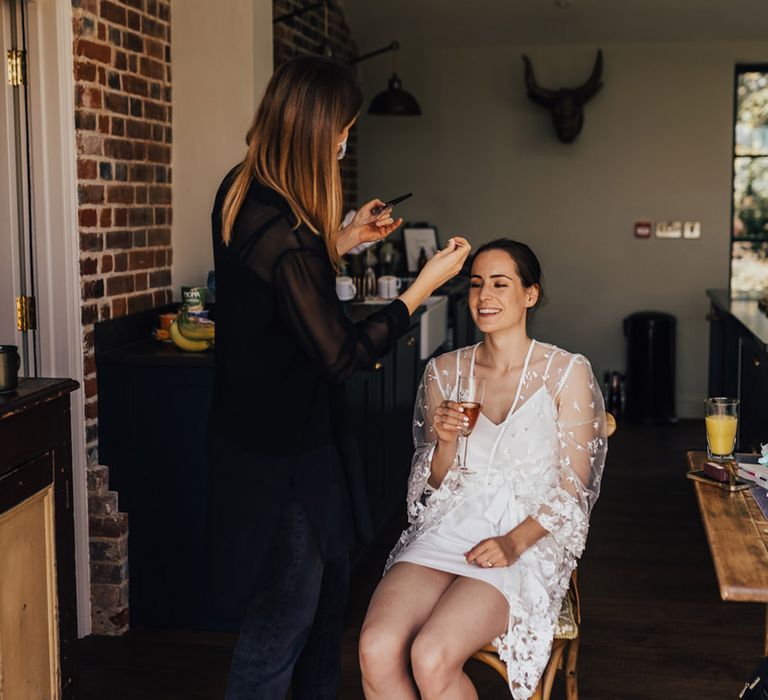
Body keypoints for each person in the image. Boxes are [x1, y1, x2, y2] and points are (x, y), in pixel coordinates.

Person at [206, 54, 471, 700]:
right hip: (285, 460)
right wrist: (420, 291)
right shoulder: (283, 228)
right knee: (282, 628)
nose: (347, 141)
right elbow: (342, 355)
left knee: (325, 611)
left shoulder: (243, 192)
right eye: (344, 129)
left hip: (267, 440)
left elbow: (283, 279)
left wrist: (344, 238)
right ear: (318, 131)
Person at [359, 239, 607, 700]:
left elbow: (575, 489)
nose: (484, 296)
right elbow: (429, 488)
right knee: (375, 648)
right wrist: (446, 443)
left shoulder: (566, 371)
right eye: (475, 284)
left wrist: (514, 542)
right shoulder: (444, 372)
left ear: (529, 295)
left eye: (499, 283)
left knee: (431, 655)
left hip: (523, 537)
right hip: (449, 527)